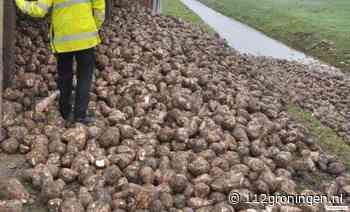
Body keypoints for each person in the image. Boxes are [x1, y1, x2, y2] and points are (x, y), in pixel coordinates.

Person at [14, 0, 105, 124]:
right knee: (85, 76)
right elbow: (99, 9)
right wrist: (95, 27)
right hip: (86, 38)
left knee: (65, 76)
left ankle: (65, 111)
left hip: (63, 40)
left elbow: (39, 10)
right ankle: (80, 115)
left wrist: (19, 1)